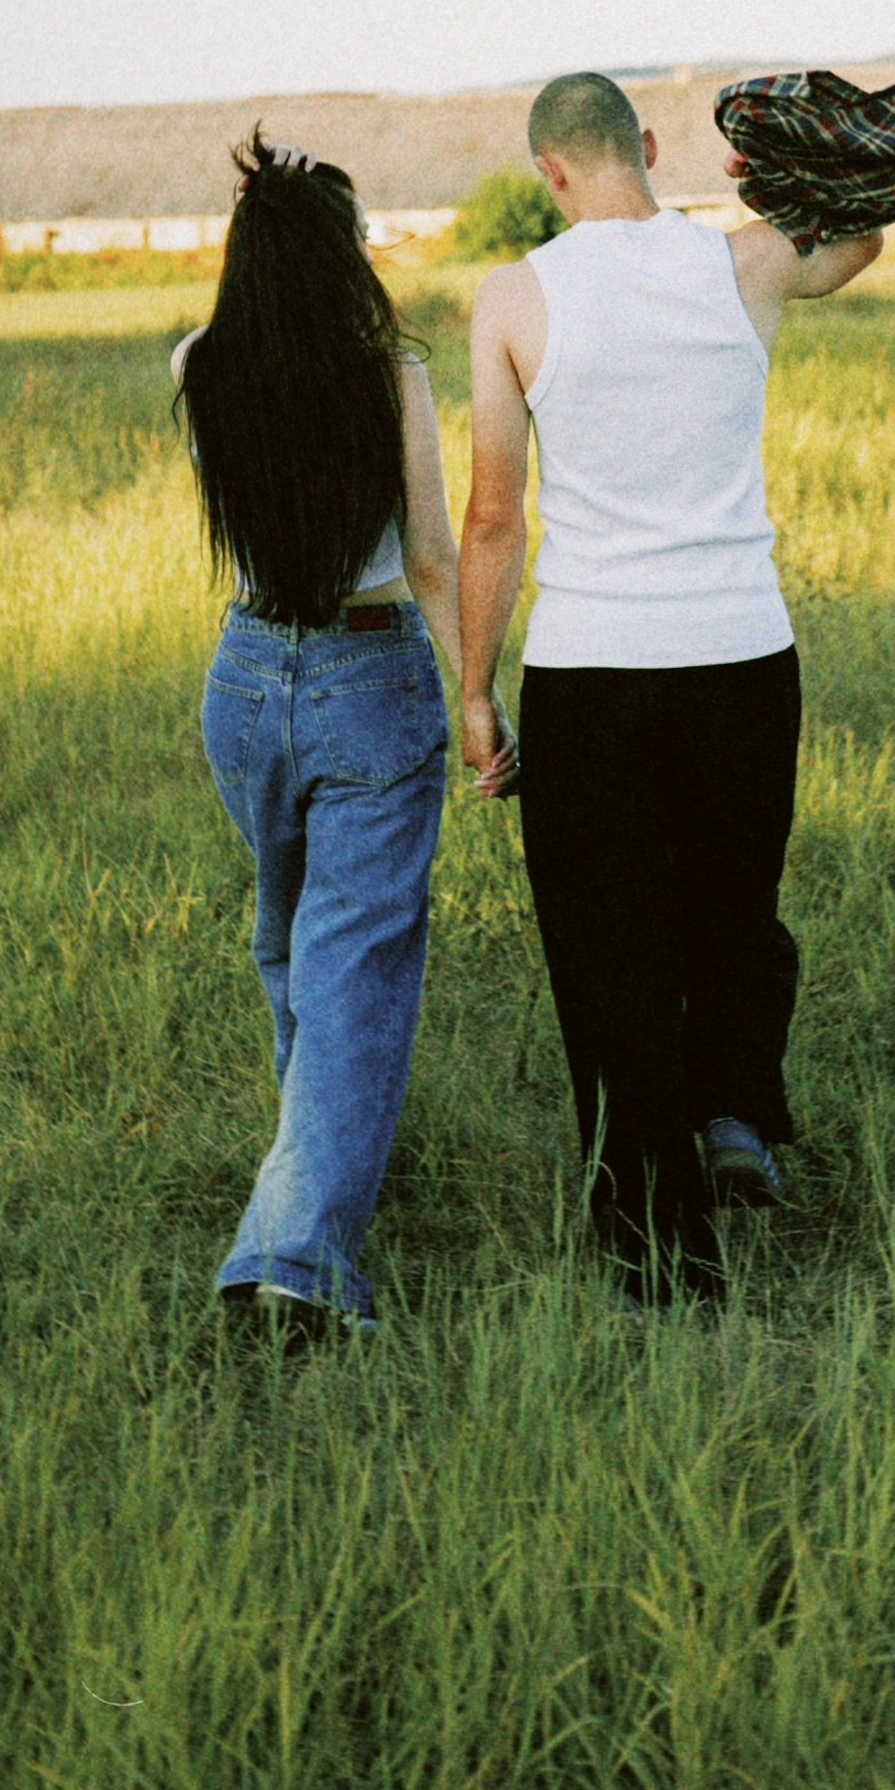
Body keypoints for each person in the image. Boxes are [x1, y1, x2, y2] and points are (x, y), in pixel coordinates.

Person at [458, 73, 880, 1304]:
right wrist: (785, 179)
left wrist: (474, 692)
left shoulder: (515, 296)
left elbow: (493, 518)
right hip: (742, 655)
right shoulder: (745, 262)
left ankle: (660, 1245)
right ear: (644, 145)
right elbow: (860, 236)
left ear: (549, 172)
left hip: (592, 670)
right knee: (731, 908)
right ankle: (735, 1108)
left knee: (612, 951)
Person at [176, 132, 515, 1350]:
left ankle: (308, 1180)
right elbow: (430, 555)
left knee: (292, 943)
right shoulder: (390, 375)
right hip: (368, 675)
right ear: (340, 257)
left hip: (245, 676)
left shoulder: (199, 362)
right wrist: (474, 693)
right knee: (352, 965)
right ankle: (295, 1257)